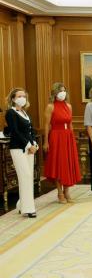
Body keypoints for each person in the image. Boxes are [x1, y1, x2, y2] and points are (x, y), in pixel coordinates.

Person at [43, 82, 81, 204]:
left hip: (67, 137)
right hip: (56, 136)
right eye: (60, 91)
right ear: (54, 93)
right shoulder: (50, 106)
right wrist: (46, 142)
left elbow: (70, 124)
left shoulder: (69, 106)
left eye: (64, 90)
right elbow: (46, 125)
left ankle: (67, 191)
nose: (63, 93)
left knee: (68, 163)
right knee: (58, 164)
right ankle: (60, 192)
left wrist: (72, 138)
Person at [5, 88, 38, 217]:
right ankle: (28, 209)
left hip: (30, 149)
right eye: (19, 96)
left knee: (29, 177)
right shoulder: (10, 113)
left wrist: (34, 144)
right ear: (13, 99)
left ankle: (21, 204)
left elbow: (31, 130)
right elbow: (15, 132)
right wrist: (28, 145)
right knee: (25, 176)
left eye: (24, 96)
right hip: (18, 148)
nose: (22, 98)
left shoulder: (25, 113)